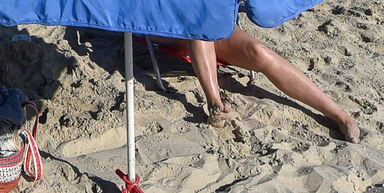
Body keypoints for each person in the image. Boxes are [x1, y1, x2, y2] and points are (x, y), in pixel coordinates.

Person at [151, 29, 359, 142]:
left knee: (259, 53)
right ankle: (214, 101)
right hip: (168, 23)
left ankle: (339, 115)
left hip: (212, 16)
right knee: (200, 26)